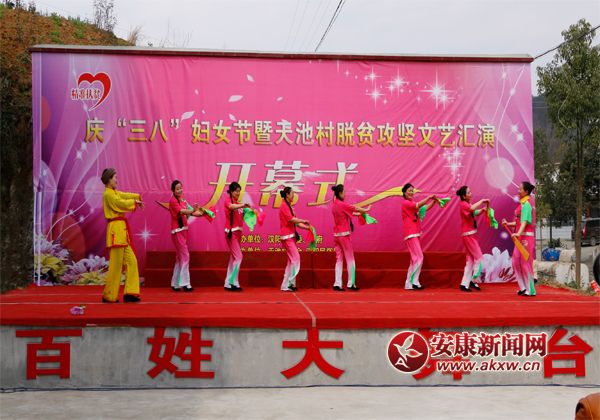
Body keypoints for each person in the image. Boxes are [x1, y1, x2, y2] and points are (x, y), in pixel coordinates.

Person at [101, 168, 144, 303]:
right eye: (115, 177)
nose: (117, 180)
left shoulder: (114, 192)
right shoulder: (108, 194)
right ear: (109, 179)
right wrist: (134, 202)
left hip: (122, 232)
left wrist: (137, 196)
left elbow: (124, 196)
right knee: (116, 266)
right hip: (116, 232)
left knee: (132, 261)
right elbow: (120, 203)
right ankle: (109, 295)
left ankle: (130, 293)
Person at [330, 184, 371, 291]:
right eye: (344, 192)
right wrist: (366, 210)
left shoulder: (334, 205)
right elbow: (355, 208)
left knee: (339, 259)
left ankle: (337, 283)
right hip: (344, 235)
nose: (345, 194)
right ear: (340, 193)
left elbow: (352, 212)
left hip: (336, 235)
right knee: (350, 259)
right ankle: (351, 283)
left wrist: (361, 213)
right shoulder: (342, 204)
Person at [401, 183, 439, 290]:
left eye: (412, 190)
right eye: (409, 190)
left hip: (415, 232)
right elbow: (419, 205)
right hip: (411, 233)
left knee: (414, 259)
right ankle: (414, 282)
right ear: (404, 192)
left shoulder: (412, 204)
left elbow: (425, 208)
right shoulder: (406, 203)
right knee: (419, 257)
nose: (411, 192)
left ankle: (409, 284)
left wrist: (434, 201)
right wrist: (429, 197)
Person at [502, 181, 537, 296]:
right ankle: (523, 287)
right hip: (519, 237)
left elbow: (525, 222)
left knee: (525, 263)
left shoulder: (527, 205)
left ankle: (530, 290)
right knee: (515, 261)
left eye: (520, 189)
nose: (518, 191)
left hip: (526, 237)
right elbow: (518, 223)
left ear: (526, 191)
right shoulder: (521, 205)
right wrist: (508, 224)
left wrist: (518, 233)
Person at [169, 180, 203, 292]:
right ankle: (185, 283)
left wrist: (203, 213)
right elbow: (182, 211)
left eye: (181, 188)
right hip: (177, 231)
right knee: (185, 256)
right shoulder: (173, 200)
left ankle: (175, 283)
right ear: (173, 190)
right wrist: (192, 210)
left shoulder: (183, 200)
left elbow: (192, 212)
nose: (180, 190)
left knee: (180, 258)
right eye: (177, 189)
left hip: (183, 230)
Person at [456, 185, 490, 292]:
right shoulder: (463, 204)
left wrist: (482, 210)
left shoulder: (467, 204)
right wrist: (482, 201)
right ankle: (473, 280)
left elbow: (474, 212)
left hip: (470, 234)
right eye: (468, 192)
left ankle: (464, 284)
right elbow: (471, 209)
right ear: (463, 196)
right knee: (479, 258)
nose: (471, 194)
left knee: (470, 260)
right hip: (468, 235)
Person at [279, 186, 311, 292]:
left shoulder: (290, 207)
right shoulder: (284, 206)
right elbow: (292, 219)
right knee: (296, 259)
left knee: (291, 261)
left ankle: (286, 285)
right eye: (292, 193)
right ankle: (289, 283)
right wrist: (303, 220)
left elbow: (296, 222)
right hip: (287, 236)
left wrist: (307, 227)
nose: (293, 195)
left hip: (291, 236)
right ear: (287, 195)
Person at [224, 182, 251, 291]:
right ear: (231, 191)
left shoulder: (239, 204)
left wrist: (252, 213)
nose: (238, 193)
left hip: (238, 233)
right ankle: (233, 282)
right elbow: (231, 206)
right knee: (239, 257)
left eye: (239, 191)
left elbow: (243, 215)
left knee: (234, 258)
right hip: (231, 233)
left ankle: (228, 283)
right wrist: (243, 205)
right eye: (236, 191)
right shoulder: (228, 201)